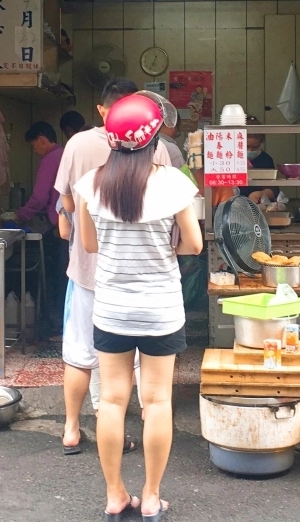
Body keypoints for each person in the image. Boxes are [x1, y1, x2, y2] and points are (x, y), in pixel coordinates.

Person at [75, 93, 202, 522]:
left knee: (111, 401)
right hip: (161, 310)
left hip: (111, 308)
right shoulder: (172, 184)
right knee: (157, 402)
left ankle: (115, 496)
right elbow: (194, 245)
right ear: (154, 141)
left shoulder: (90, 184)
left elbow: (89, 244)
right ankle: (150, 497)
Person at [54, 79, 172, 458]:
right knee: (137, 368)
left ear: (104, 110)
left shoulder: (76, 145)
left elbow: (67, 207)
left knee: (79, 354)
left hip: (88, 271)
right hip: (142, 277)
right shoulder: (160, 150)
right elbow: (172, 218)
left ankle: (72, 429)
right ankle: (131, 432)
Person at [15, 121, 66, 341]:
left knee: (57, 279)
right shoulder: (65, 153)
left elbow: (40, 197)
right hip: (70, 225)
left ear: (42, 139)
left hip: (60, 227)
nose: (35, 152)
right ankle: (64, 326)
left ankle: (58, 326)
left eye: (35, 146)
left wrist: (20, 215)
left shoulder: (50, 159)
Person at [239, 116, 278, 205]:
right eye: (246, 146)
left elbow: (273, 190)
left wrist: (261, 194)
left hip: (256, 209)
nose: (249, 151)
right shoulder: (228, 159)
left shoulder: (265, 160)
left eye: (254, 147)